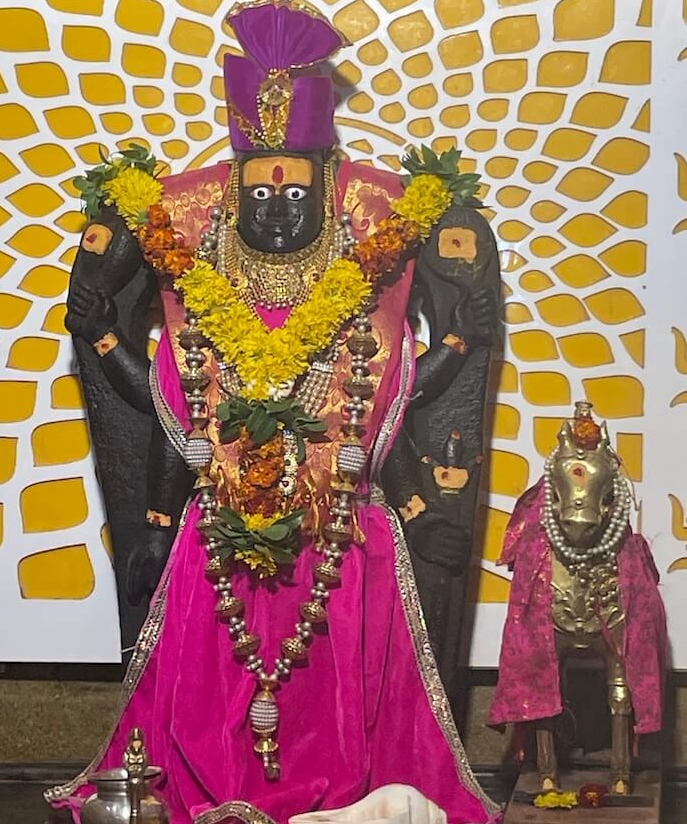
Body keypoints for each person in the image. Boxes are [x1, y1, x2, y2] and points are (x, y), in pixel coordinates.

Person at [50, 2, 501, 822]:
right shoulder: (191, 269)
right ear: (233, 200)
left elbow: (409, 388)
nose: (277, 206)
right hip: (216, 532)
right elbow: (164, 413)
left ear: (327, 195)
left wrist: (461, 342)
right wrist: (104, 340)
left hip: (343, 533)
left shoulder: (372, 265)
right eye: (260, 190)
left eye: (295, 190)